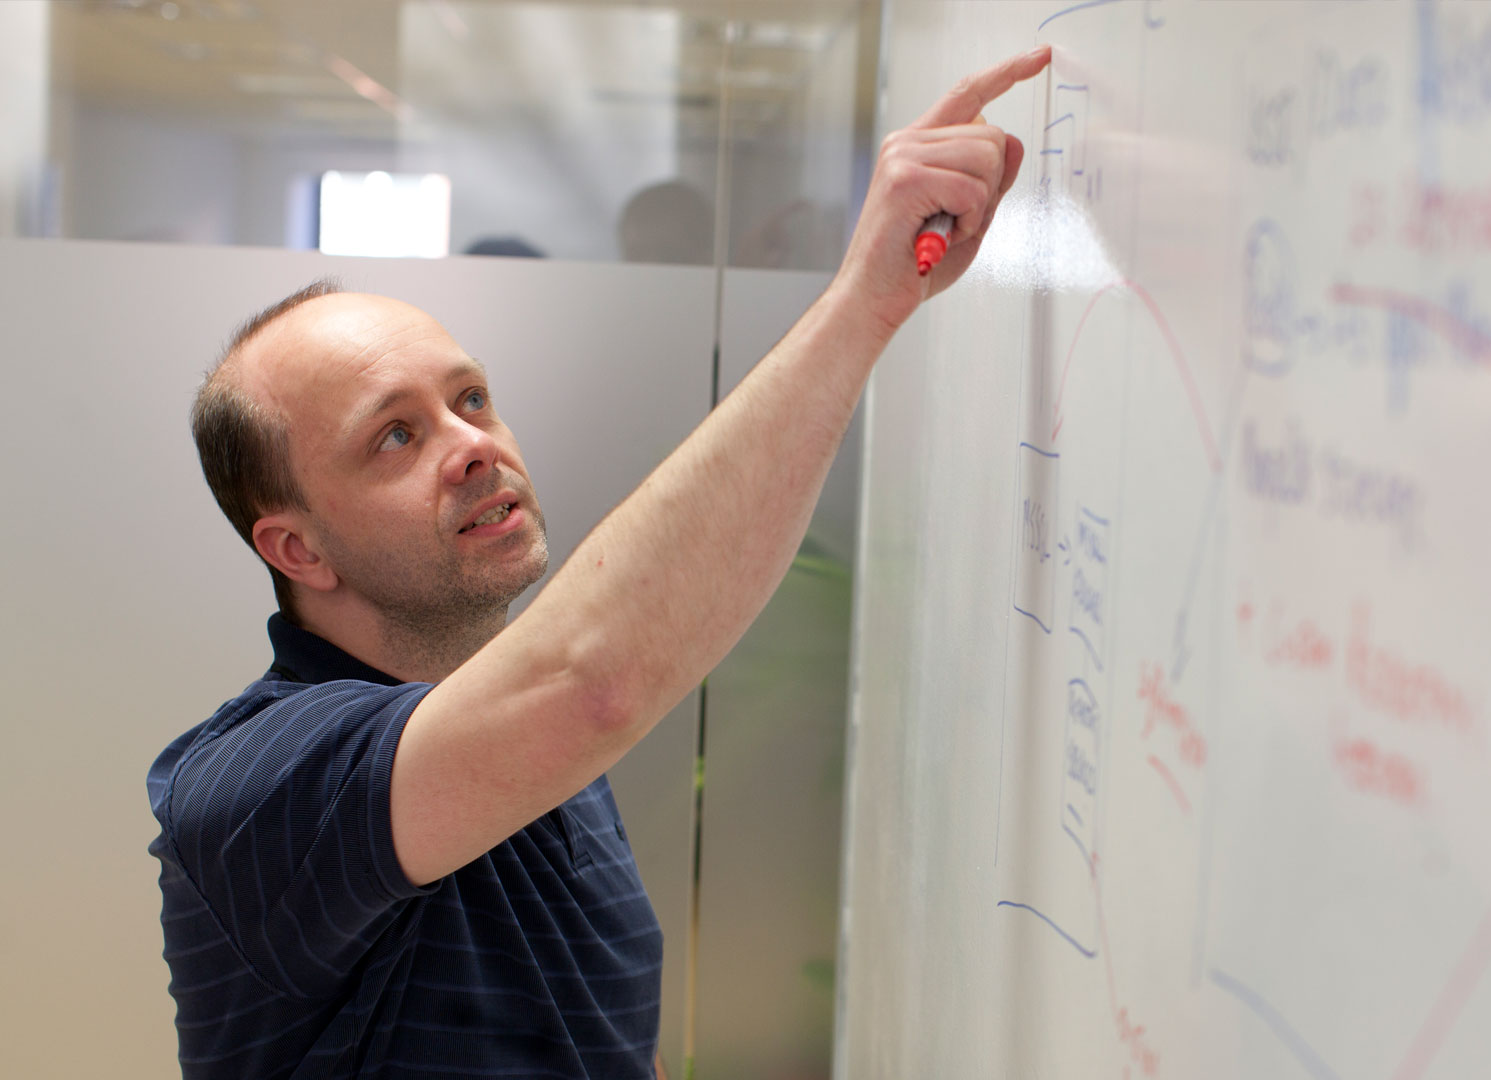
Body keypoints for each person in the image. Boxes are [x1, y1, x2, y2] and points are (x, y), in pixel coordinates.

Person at [146, 46, 1050, 1079]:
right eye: (395, 436)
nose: (473, 443)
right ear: (296, 547)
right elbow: (592, 682)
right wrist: (865, 302)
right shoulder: (255, 791)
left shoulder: (527, 741)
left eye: (471, 398)